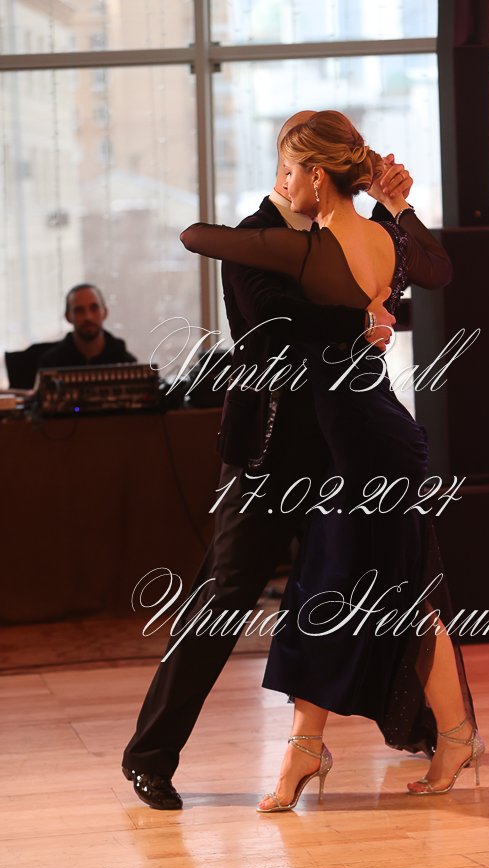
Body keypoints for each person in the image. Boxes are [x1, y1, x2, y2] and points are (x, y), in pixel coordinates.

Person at [180, 110, 483, 813]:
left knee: (353, 598)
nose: (281, 182)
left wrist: (298, 230)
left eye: (290, 169)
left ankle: (360, 745)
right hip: (377, 434)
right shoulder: (383, 238)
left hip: (358, 447)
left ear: (318, 175)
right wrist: (397, 205)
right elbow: (438, 269)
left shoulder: (311, 250)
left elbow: (198, 236)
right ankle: (379, 742)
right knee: (368, 595)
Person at [121, 111, 407, 809]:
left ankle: (420, 726)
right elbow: (274, 329)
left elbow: (387, 287)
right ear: (295, 172)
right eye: (303, 169)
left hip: (340, 448)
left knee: (368, 585)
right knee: (222, 599)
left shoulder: (338, 231)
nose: (306, 180)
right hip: (267, 454)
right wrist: (358, 319)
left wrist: (388, 221)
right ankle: (150, 755)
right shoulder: (251, 239)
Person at [39, 284, 136, 368]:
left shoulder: (126, 363)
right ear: (67, 317)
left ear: (105, 312)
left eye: (94, 308)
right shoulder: (51, 365)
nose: (88, 317)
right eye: (79, 310)